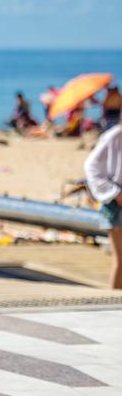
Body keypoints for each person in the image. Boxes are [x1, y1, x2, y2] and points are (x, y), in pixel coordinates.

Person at [85, 124, 122, 289]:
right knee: (120, 261)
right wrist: (115, 193)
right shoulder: (115, 135)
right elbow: (91, 166)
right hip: (115, 204)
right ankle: (114, 307)